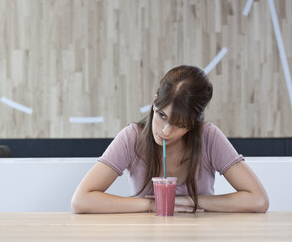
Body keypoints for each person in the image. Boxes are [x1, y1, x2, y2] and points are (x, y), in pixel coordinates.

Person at [71, 65, 269, 214]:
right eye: (162, 115)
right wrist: (151, 204)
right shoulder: (132, 138)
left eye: (180, 125)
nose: (165, 131)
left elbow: (258, 200)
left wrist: (192, 201)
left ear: (193, 124)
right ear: (155, 99)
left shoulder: (208, 137)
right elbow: (81, 200)